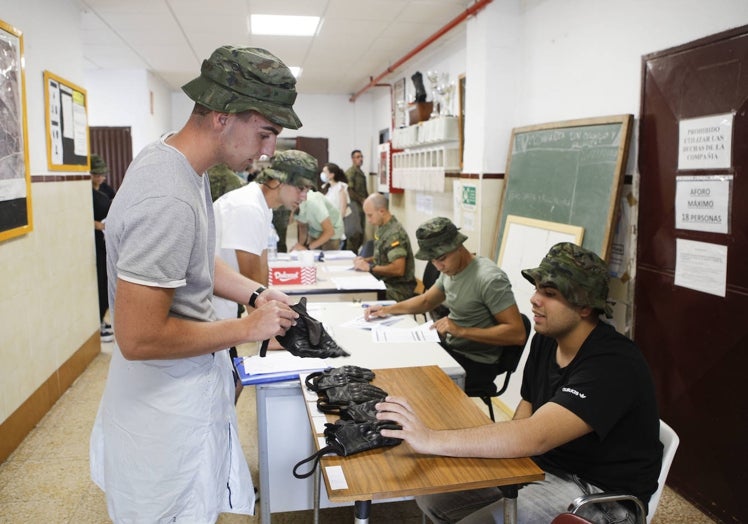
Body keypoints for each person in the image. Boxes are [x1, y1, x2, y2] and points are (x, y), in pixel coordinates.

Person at [89, 45, 303, 523]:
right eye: (265, 133)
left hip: (180, 384)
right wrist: (249, 329)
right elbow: (139, 337)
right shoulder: (167, 195)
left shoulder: (184, 167)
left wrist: (253, 294)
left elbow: (194, 259)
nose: (269, 151)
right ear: (223, 116)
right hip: (160, 402)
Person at [375, 242, 663, 524]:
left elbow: (536, 435)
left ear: (585, 306)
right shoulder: (546, 338)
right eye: (537, 289)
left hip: (600, 495)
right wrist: (508, 462)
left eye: (549, 293)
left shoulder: (612, 362)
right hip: (546, 465)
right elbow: (527, 406)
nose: (534, 299)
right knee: (436, 497)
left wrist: (431, 439)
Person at [365, 216, 526, 394]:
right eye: (432, 261)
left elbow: (517, 334)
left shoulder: (489, 279)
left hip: (476, 362)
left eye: (441, 258)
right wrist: (386, 309)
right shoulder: (451, 269)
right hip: (452, 348)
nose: (438, 266)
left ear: (458, 246)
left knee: (409, 382)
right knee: (397, 360)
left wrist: (460, 330)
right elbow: (427, 300)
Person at [353, 193, 416, 302]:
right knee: (355, 289)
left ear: (381, 211)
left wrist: (370, 268)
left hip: (398, 289)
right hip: (384, 282)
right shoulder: (384, 228)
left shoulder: (394, 234)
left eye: (370, 215)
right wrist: (366, 261)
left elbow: (398, 269)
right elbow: (384, 257)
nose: (368, 220)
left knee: (358, 297)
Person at [90, 153, 114, 342]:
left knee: (107, 282)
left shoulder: (105, 189)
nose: (101, 177)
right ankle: (96, 321)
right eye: (97, 174)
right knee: (97, 283)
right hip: (94, 243)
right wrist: (96, 224)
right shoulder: (87, 193)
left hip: (108, 242)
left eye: (102, 174)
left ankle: (102, 317)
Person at [345, 149, 368, 254]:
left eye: (361, 157)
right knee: (354, 235)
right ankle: (349, 257)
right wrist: (361, 200)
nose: (361, 159)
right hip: (353, 207)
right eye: (358, 157)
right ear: (353, 159)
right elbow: (349, 190)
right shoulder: (351, 172)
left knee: (360, 236)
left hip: (361, 208)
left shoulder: (360, 172)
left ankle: (354, 255)